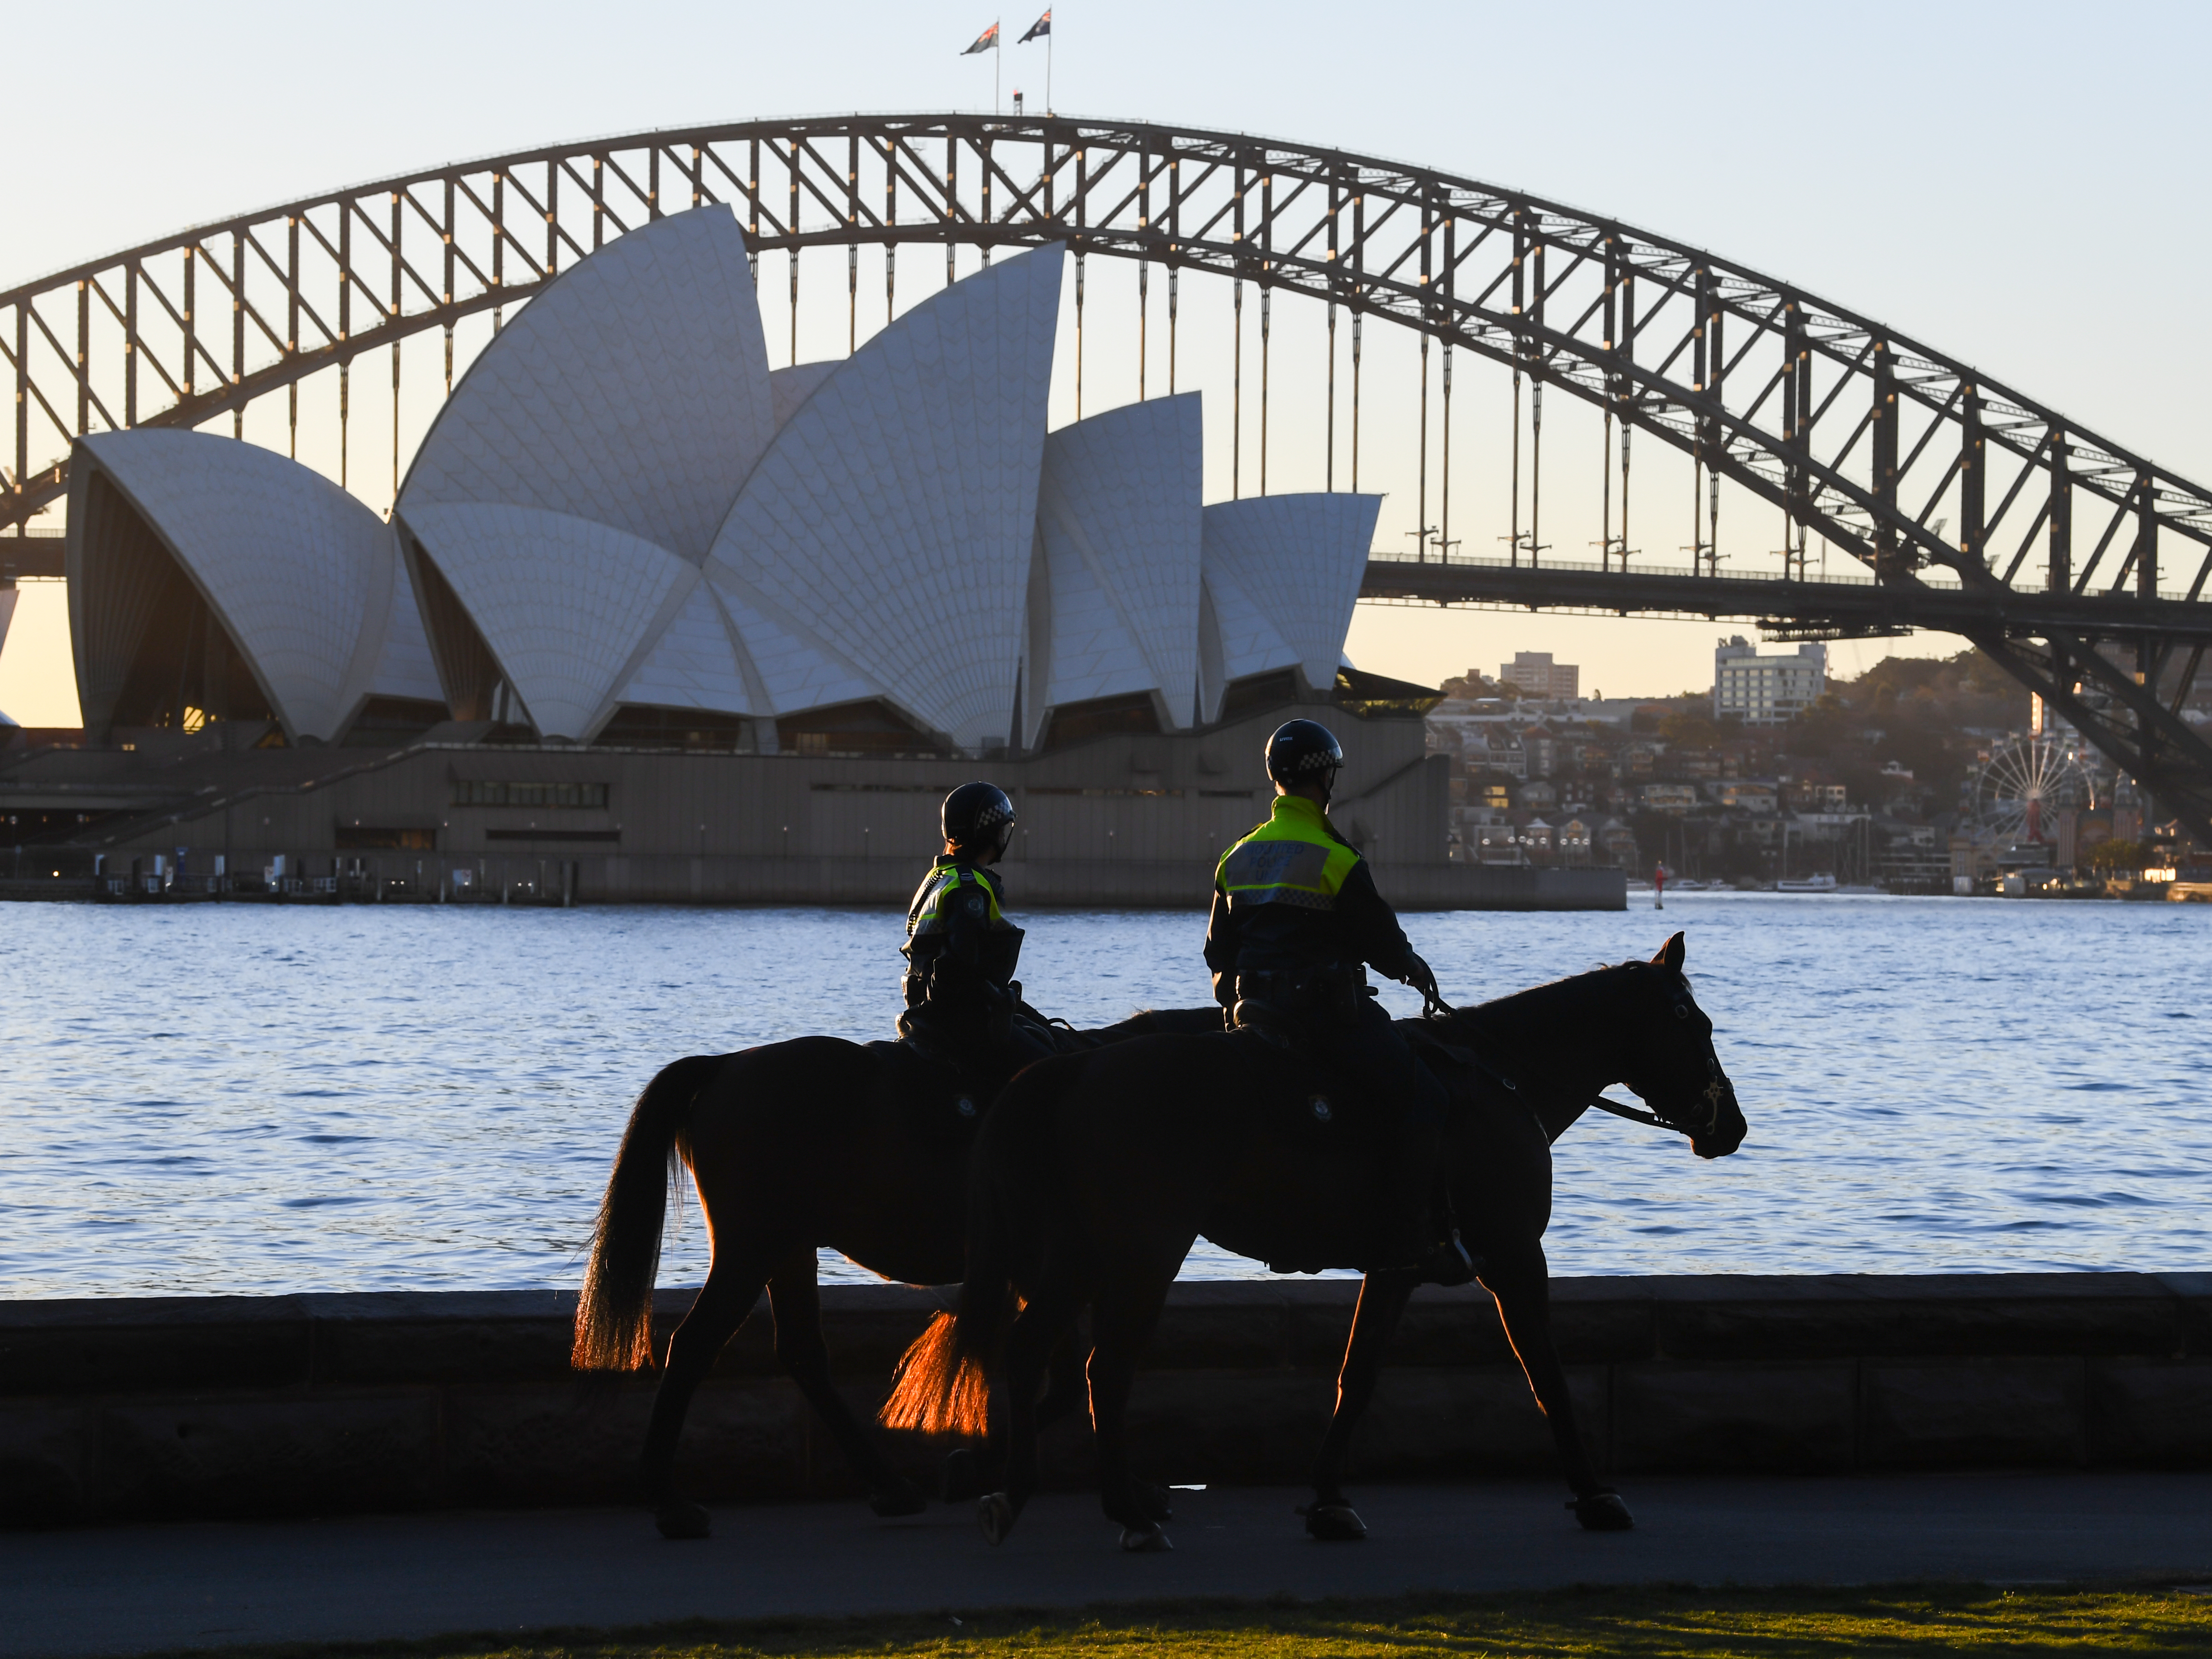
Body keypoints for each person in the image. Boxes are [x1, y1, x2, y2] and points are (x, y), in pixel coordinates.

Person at [1204, 719, 1466, 1278]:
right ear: (1325, 778)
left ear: (1276, 777)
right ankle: (1412, 1237)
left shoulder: (1236, 857)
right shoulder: (1336, 858)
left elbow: (1216, 956)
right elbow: (1384, 946)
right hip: (1324, 1017)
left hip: (1253, 1016)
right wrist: (1415, 970)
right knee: (1428, 1102)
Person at [899, 782, 1059, 1091]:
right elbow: (959, 967)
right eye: (1003, 829)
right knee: (1051, 1073)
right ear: (992, 833)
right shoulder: (970, 887)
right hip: (960, 1020)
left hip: (925, 1009)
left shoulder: (939, 877)